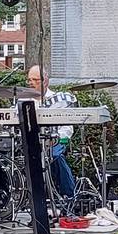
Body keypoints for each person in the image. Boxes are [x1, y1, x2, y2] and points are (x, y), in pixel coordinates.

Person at [27, 65, 76, 197]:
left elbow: (67, 128)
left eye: (35, 80)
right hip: (30, 143)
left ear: (45, 81)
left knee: (54, 156)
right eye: (29, 80)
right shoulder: (23, 101)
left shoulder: (58, 100)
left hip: (54, 143)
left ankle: (68, 195)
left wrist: (55, 139)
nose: (31, 83)